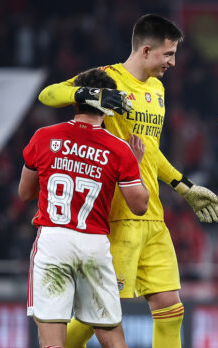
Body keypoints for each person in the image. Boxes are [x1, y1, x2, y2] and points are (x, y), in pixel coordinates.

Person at [37, 14, 218, 348]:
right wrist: (89, 93)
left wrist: (184, 186)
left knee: (171, 307)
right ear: (147, 49)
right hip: (118, 214)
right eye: (168, 54)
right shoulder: (110, 79)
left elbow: (150, 151)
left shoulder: (157, 89)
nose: (173, 62)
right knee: (99, 315)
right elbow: (48, 95)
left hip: (152, 214)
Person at [19, 68, 149, 348]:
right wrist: (134, 165)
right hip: (94, 245)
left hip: (53, 240)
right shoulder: (119, 149)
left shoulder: (43, 136)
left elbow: (24, 193)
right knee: (113, 340)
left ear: (75, 100)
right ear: (108, 106)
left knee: (52, 341)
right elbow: (139, 206)